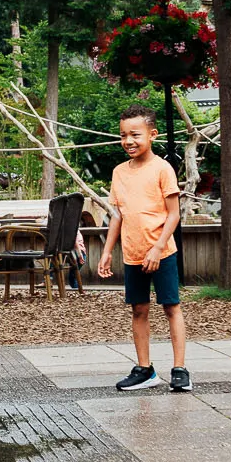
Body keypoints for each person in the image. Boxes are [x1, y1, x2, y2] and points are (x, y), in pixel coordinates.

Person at [98, 104, 190, 392]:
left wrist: (157, 247)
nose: (128, 141)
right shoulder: (118, 173)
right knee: (138, 309)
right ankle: (145, 369)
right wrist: (106, 252)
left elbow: (173, 214)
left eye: (135, 134)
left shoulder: (162, 169)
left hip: (162, 252)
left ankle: (179, 369)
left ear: (152, 134)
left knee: (171, 307)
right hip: (132, 253)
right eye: (123, 135)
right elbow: (118, 215)